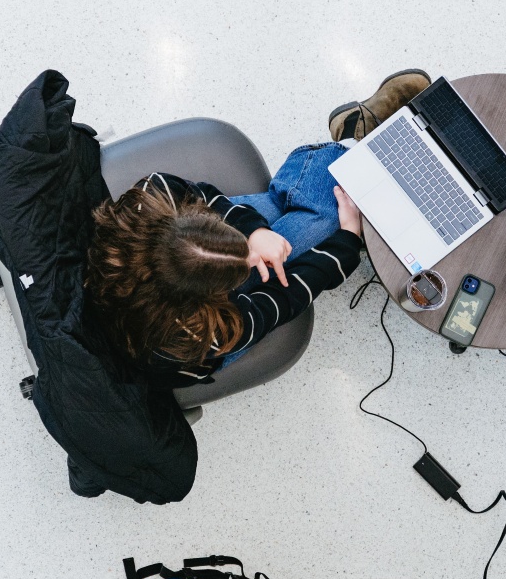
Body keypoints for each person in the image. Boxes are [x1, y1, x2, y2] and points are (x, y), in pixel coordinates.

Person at [84, 70, 432, 388]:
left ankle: (349, 146)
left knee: (284, 214)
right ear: (220, 295)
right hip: (177, 338)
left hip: (167, 286)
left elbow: (191, 192)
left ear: (179, 220)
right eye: (244, 267)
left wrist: (252, 232)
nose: (252, 259)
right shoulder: (205, 336)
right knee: (326, 217)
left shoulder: (144, 205)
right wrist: (347, 241)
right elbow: (285, 297)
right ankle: (349, 147)